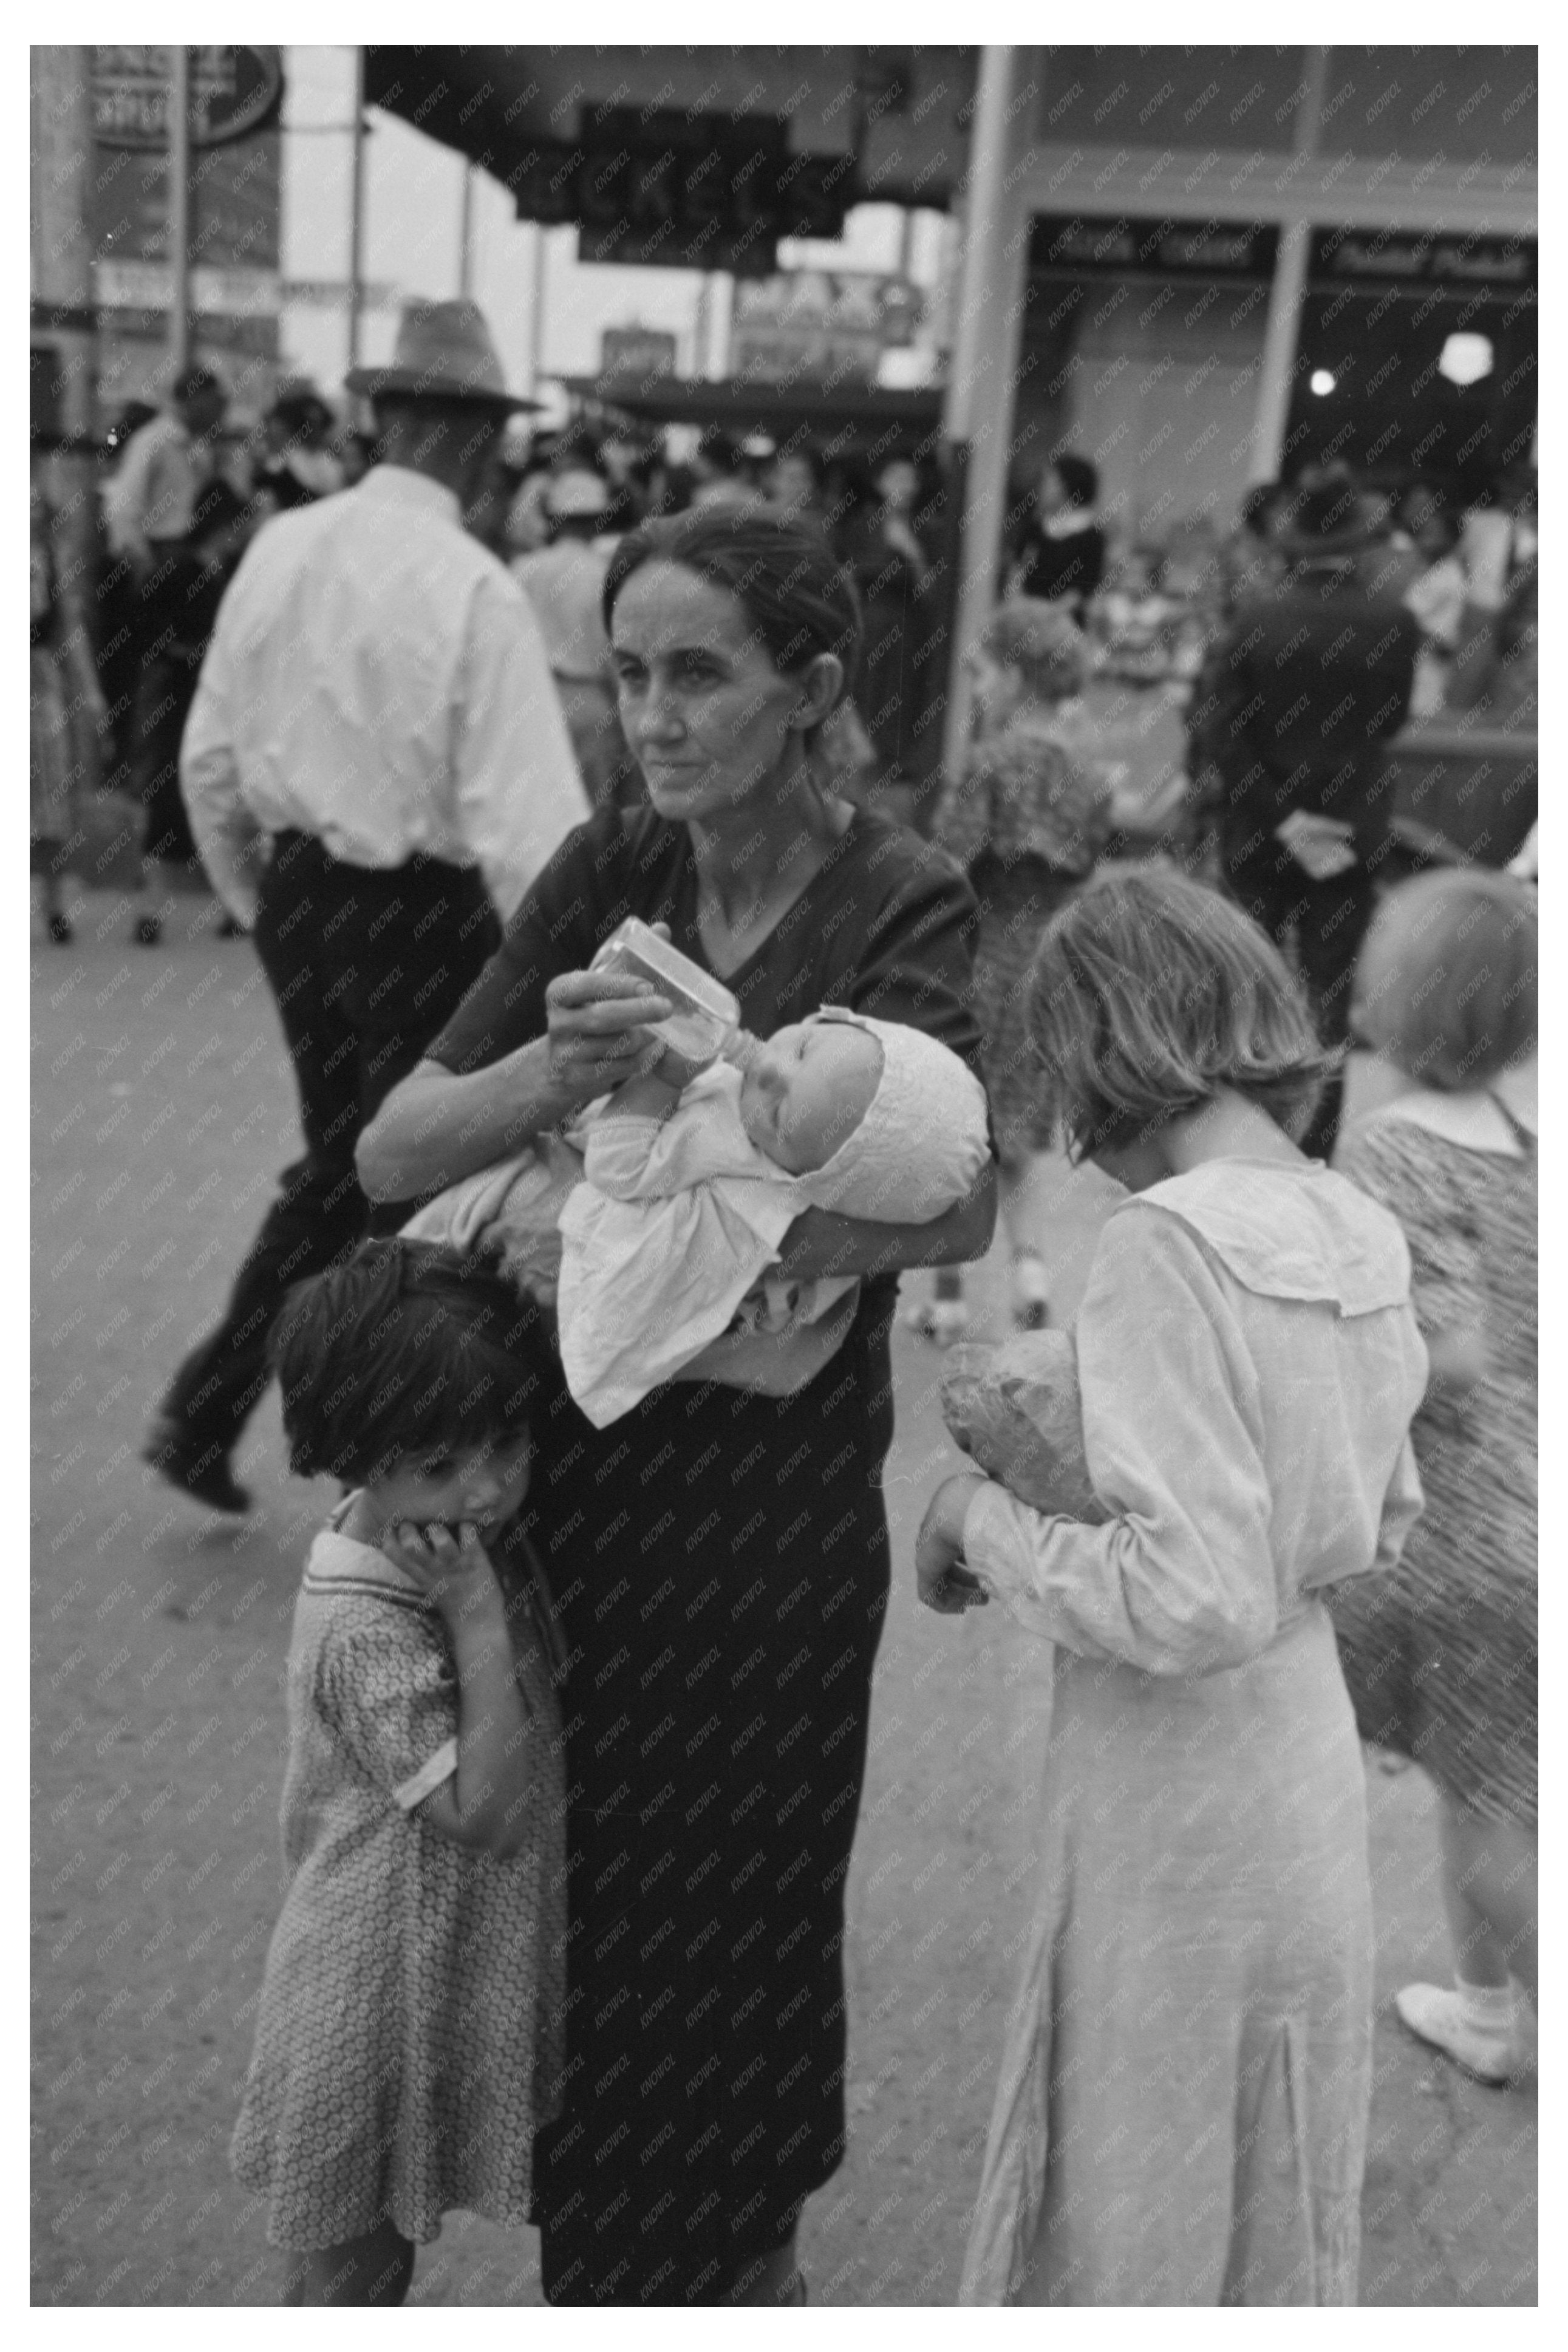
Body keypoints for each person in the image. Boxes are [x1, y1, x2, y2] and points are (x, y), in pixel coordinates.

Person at [355, 509, 996, 2305]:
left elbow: (955, 1195)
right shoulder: (606, 865)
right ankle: (610, 2277)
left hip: (759, 1538)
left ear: (809, 694)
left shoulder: (897, 895)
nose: (651, 711)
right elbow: (391, 1146)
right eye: (628, 671)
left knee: (738, 1932)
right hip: (575, 1504)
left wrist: (708, 1178)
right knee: (591, 1940)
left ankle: (732, 2274)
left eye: (697, 673)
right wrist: (551, 1076)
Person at [915, 870, 1427, 2305]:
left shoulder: (1165, 1242)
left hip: (1177, 1788)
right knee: (1267, 2166)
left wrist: (976, 1521)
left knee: (1146, 2175)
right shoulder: (1349, 1219)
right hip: (1300, 1761)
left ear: (1100, 1048)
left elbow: (1186, 1597)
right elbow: (1382, 1512)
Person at [146, 300, 589, 1517]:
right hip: (422, 912)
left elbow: (211, 761)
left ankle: (222, 1409)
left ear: (387, 419)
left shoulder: (282, 547)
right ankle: (425, 1453)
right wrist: (573, 995)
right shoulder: (472, 587)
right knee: (424, 1176)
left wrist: (267, 898)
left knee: (350, 1170)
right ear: (473, 440)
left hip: (301, 893)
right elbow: (530, 834)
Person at [230, 1239, 564, 2305]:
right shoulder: (366, 1622)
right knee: (347, 2279)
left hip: (423, 1965)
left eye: (507, 1445)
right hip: (365, 1993)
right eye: (442, 1466)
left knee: (373, 2268)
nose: (488, 1489)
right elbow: (485, 1813)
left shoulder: (424, 1530)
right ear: (353, 1456)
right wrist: (476, 1611)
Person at [1326, 871, 1537, 2081]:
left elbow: (1443, 1350)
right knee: (1485, 1782)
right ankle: (1484, 2010)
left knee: (1492, 1808)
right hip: (1525, 1507)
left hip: (1452, 1535)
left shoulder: (1394, 1150)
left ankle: (1513, 2007)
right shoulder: (1523, 1145)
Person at [1188, 463, 1422, 1159]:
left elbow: (1221, 735)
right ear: (1360, 540)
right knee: (1327, 993)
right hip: (1352, 824)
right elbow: (1388, 719)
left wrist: (1283, 816)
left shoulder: (1254, 619)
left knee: (1245, 981)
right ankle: (1311, 1150)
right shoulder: (1394, 621)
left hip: (1261, 828)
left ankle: (1237, 1138)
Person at [913, 602, 1113, 1341]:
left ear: (1016, 676)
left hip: (980, 955)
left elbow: (946, 866)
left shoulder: (991, 764)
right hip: (1052, 961)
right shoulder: (1085, 773)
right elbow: (1088, 862)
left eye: (983, 672)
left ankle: (947, 1296)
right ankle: (1030, 1271)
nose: (977, 687)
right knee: (1022, 1134)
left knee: (962, 1128)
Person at [124, 478, 261, 946]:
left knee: (210, 796)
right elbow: (148, 627)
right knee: (173, 799)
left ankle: (217, 907)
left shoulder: (218, 569)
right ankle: (153, 909)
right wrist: (187, 653)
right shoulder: (184, 570)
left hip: (202, 697)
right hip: (178, 696)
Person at [510, 468, 635, 807]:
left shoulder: (525, 569)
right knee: (596, 807)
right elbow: (613, 653)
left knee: (538, 801)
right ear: (598, 520)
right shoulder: (605, 575)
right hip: (592, 702)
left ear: (556, 518)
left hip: (536, 698)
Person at [31, 473, 109, 944]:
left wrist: (92, 692)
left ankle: (53, 903)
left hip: (40, 681)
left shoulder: (52, 566)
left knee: (51, 791)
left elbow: (70, 633)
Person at [1008, 454, 1106, 612]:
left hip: (1062, 623)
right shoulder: (1035, 528)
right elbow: (1017, 571)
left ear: (1066, 488)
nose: (1041, 488)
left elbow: (1080, 591)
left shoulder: (1091, 538)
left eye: (1048, 483)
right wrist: (1018, 606)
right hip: (1025, 614)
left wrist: (1048, 614)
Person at [257, 382, 344, 513]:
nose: (314, 430)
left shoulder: (333, 465)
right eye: (309, 424)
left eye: (319, 424)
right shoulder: (282, 462)